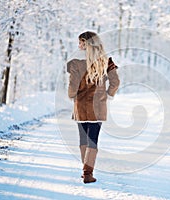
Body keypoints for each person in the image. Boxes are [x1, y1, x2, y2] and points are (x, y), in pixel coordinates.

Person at [67, 31, 120, 184]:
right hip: (97, 107)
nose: (78, 45)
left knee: (83, 139)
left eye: (80, 42)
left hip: (81, 106)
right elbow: (115, 81)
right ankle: (87, 173)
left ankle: (86, 171)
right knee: (93, 141)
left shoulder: (76, 62)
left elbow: (72, 85)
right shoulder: (106, 61)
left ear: (85, 43)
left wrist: (72, 95)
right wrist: (109, 95)